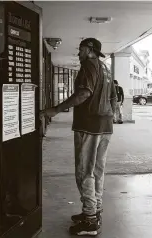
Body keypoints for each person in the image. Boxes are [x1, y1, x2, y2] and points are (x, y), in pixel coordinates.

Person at [40, 38, 117, 236]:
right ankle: (94, 211)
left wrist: (55, 109)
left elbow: (83, 94)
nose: (78, 52)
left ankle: (90, 220)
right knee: (97, 171)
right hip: (105, 126)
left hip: (89, 126)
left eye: (81, 48)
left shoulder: (88, 66)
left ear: (89, 49)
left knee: (85, 172)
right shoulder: (105, 67)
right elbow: (114, 97)